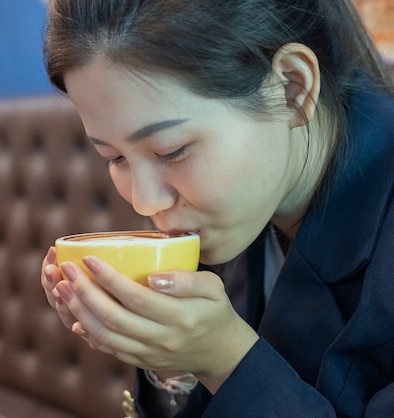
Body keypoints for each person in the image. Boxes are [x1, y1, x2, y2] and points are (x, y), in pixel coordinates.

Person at [39, 1, 394, 416]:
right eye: (114, 158)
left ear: (292, 88)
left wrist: (225, 362)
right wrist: (172, 363)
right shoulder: (234, 210)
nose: (144, 201)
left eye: (172, 151)